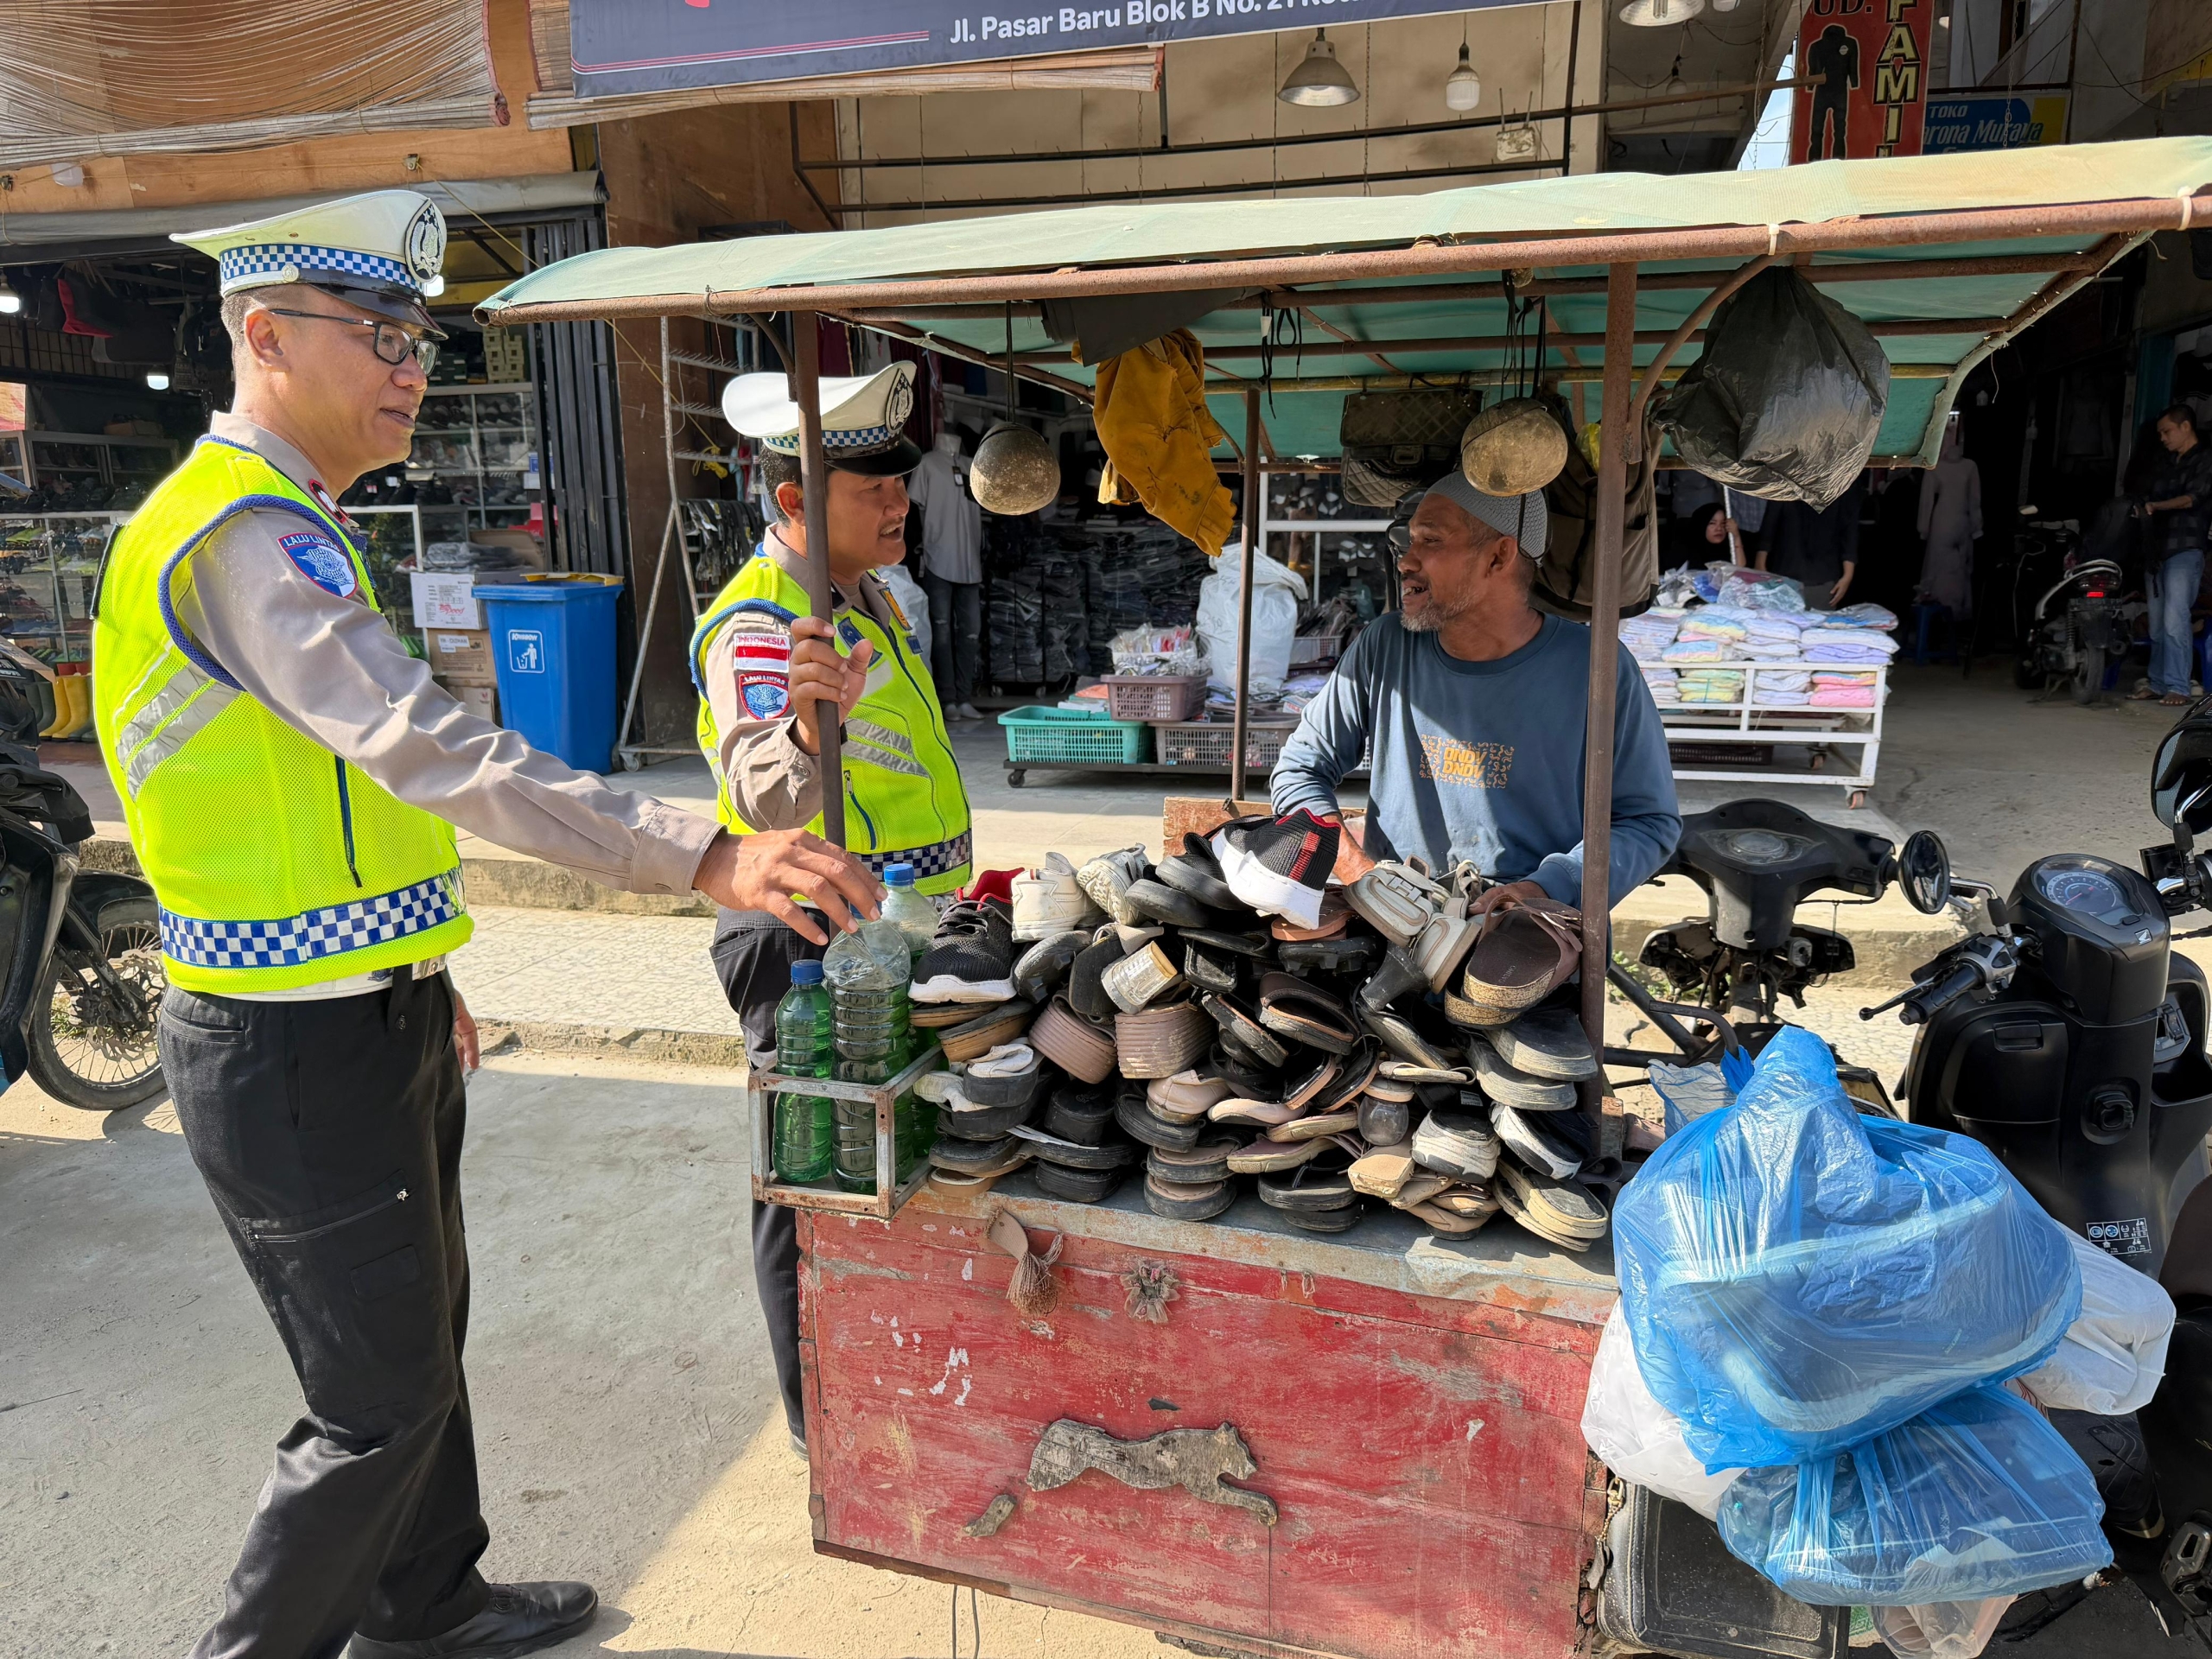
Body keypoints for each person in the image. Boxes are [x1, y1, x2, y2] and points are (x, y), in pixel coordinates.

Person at [92, 191, 881, 1659]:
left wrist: (417, 966)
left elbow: (341, 805)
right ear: (264, 336)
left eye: (420, 340)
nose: (411, 368)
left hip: (362, 1006)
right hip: (282, 1045)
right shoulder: (236, 539)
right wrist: (698, 850)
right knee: (370, 1402)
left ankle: (426, 1602)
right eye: (377, 334)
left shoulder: (299, 527)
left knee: (419, 1346)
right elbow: (427, 748)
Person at [694, 359, 975, 1459]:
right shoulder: (765, 624)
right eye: (872, 487)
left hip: (888, 935)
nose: (899, 501)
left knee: (884, 1158)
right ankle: (823, 1421)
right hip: (810, 941)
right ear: (794, 502)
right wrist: (812, 730)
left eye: (901, 482)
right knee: (808, 1173)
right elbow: (764, 788)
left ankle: (882, 1374)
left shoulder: (870, 601)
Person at [1270, 473, 1681, 912]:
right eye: (1407, 542)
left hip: (1528, 931)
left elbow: (1647, 821)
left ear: (1499, 557)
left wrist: (1544, 888)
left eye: (1430, 541)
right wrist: (1364, 877)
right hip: (1394, 920)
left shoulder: (1598, 668)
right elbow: (1299, 770)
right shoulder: (1385, 645)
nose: (1406, 561)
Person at [2134, 404, 2212, 705]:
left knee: (2175, 618)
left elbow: (2193, 498)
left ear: (2185, 427)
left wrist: (2155, 506)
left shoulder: (2206, 460)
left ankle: (2178, 687)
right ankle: (2156, 682)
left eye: (2167, 432)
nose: (2163, 438)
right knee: (2156, 622)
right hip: (2157, 549)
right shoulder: (2165, 462)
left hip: (2186, 547)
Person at [908, 427, 985, 720]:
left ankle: (964, 696)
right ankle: (948, 698)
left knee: (970, 633)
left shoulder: (972, 467)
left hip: (970, 564)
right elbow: (917, 510)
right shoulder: (927, 464)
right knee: (940, 633)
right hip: (938, 559)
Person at [1759, 474, 1866, 610]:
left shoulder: (1842, 482)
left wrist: (1848, 575)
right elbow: (1770, 523)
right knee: (1786, 625)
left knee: (1809, 625)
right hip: (1791, 570)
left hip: (1818, 574)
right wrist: (1761, 563)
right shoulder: (1786, 476)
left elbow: (1849, 529)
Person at [1916, 420, 1982, 617]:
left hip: (1949, 519)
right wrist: (1976, 526)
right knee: (1949, 564)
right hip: (1954, 518)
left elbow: (1927, 501)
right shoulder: (1942, 466)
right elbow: (1974, 499)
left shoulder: (1968, 466)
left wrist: (1924, 527)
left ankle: (1949, 608)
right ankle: (1944, 607)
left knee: (1951, 564)